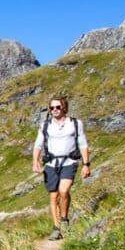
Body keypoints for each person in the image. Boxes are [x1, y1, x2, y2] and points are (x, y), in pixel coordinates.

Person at [32, 96, 89, 240]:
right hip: (51, 163)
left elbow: (83, 144)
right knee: (53, 196)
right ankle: (56, 228)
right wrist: (35, 161)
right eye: (52, 108)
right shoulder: (45, 125)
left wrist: (86, 165)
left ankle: (64, 220)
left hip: (69, 161)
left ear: (64, 107)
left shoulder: (75, 124)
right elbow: (38, 145)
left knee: (63, 191)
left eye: (58, 107)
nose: (55, 110)